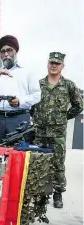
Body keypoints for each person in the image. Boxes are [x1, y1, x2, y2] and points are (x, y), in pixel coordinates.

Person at [31, 52, 83, 208]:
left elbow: (78, 105)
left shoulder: (69, 85)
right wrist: (37, 118)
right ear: (47, 64)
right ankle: (38, 194)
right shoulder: (38, 84)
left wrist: (63, 118)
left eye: (57, 63)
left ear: (62, 66)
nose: (54, 65)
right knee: (38, 161)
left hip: (58, 133)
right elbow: (31, 105)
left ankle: (58, 193)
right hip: (40, 131)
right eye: (51, 62)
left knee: (58, 163)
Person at [0, 35, 41, 144]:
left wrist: (20, 102)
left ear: (16, 51)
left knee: (18, 154)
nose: (6, 54)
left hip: (19, 119)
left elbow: (36, 95)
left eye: (9, 50)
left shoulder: (28, 72)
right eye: (3, 51)